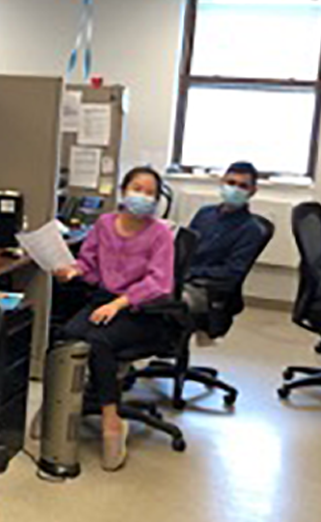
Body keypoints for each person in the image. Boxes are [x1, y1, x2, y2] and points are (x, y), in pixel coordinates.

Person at [55, 167, 175, 472]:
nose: (143, 197)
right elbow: (89, 263)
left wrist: (120, 303)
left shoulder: (160, 233)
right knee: (68, 334)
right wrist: (75, 271)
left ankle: (112, 421)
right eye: (137, 188)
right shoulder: (105, 224)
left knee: (98, 340)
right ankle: (59, 408)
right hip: (102, 302)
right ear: (123, 191)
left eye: (150, 193)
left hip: (141, 311)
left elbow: (159, 283)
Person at [186, 162, 267, 319]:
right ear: (221, 183)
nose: (235, 189)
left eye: (243, 186)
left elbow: (232, 273)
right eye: (231, 183)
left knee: (159, 301)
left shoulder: (251, 230)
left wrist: (192, 273)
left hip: (207, 290)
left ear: (252, 191)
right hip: (184, 278)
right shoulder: (204, 214)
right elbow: (186, 248)